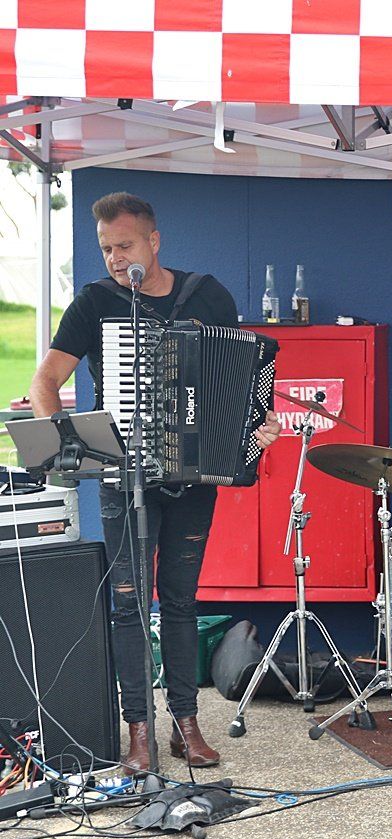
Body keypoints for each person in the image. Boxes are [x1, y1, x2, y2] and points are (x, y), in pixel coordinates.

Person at [29, 192, 281, 773]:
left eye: (125, 246)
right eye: (106, 249)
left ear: (154, 241)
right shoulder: (96, 303)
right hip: (124, 479)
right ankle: (139, 731)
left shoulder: (207, 296)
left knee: (182, 600)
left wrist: (254, 433)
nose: (115, 259)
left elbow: (242, 383)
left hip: (194, 478)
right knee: (128, 605)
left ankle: (186, 725)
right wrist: (63, 438)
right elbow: (46, 380)